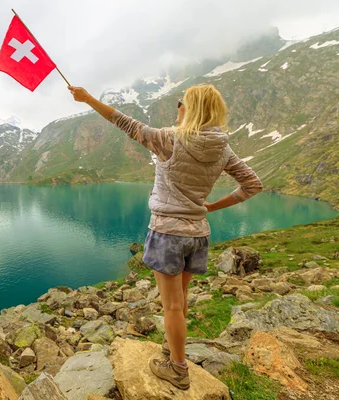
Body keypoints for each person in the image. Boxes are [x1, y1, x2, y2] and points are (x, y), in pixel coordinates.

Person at [68, 84, 263, 390]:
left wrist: (87, 98)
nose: (177, 108)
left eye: (181, 103)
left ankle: (177, 369)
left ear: (193, 108)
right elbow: (252, 185)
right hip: (197, 234)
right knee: (181, 300)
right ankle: (172, 349)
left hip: (168, 232)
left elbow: (124, 123)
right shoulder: (223, 148)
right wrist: (211, 206)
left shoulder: (170, 139)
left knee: (171, 305)